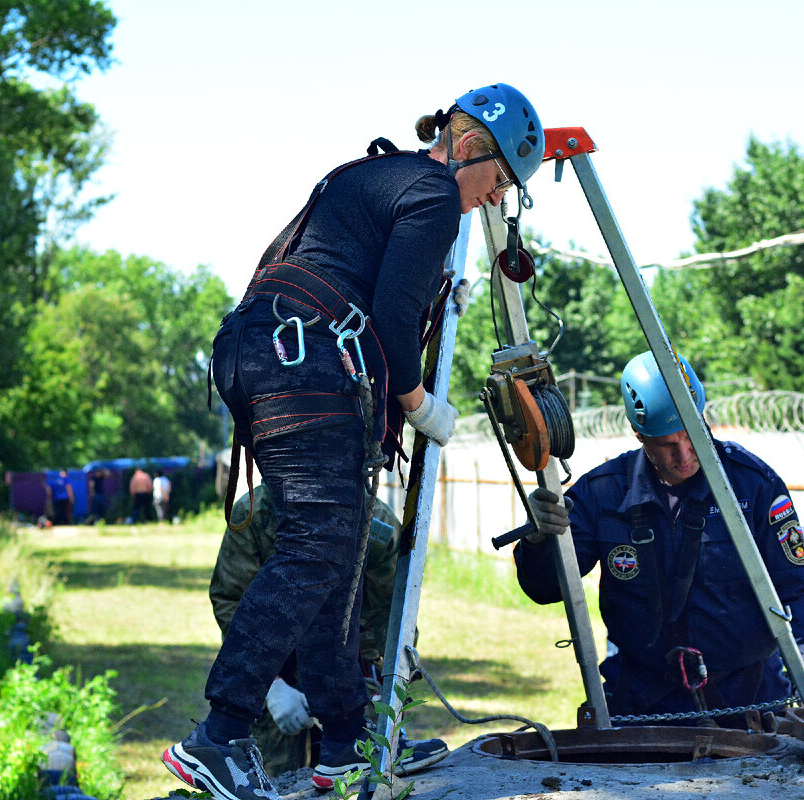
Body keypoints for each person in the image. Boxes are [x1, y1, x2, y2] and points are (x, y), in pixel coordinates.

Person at [162, 82, 545, 800]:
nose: (493, 200)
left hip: (265, 350)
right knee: (316, 544)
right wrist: (421, 404)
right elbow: (397, 322)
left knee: (332, 549)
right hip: (304, 362)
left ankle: (344, 739)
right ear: (467, 148)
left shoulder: (371, 176)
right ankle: (217, 736)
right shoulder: (431, 195)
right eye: (496, 180)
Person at [513, 352, 804, 725]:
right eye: (666, 444)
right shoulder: (604, 493)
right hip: (644, 706)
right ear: (639, 436)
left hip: (748, 703)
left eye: (691, 435)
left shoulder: (751, 485)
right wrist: (538, 538)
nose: (684, 455)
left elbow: (797, 591)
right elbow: (546, 587)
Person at [208, 483, 447, 777]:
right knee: (276, 779)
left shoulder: (374, 519)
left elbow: (390, 609)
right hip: (275, 664)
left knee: (367, 772)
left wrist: (390, 688)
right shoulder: (255, 513)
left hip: (349, 666)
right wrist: (271, 685)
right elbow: (233, 600)